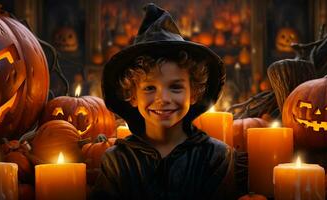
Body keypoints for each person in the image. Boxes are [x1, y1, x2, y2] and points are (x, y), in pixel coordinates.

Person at [90, 3, 247, 199]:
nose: (163, 99)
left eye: (175, 87)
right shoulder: (117, 161)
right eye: (149, 88)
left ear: (194, 93)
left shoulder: (216, 156)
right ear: (132, 95)